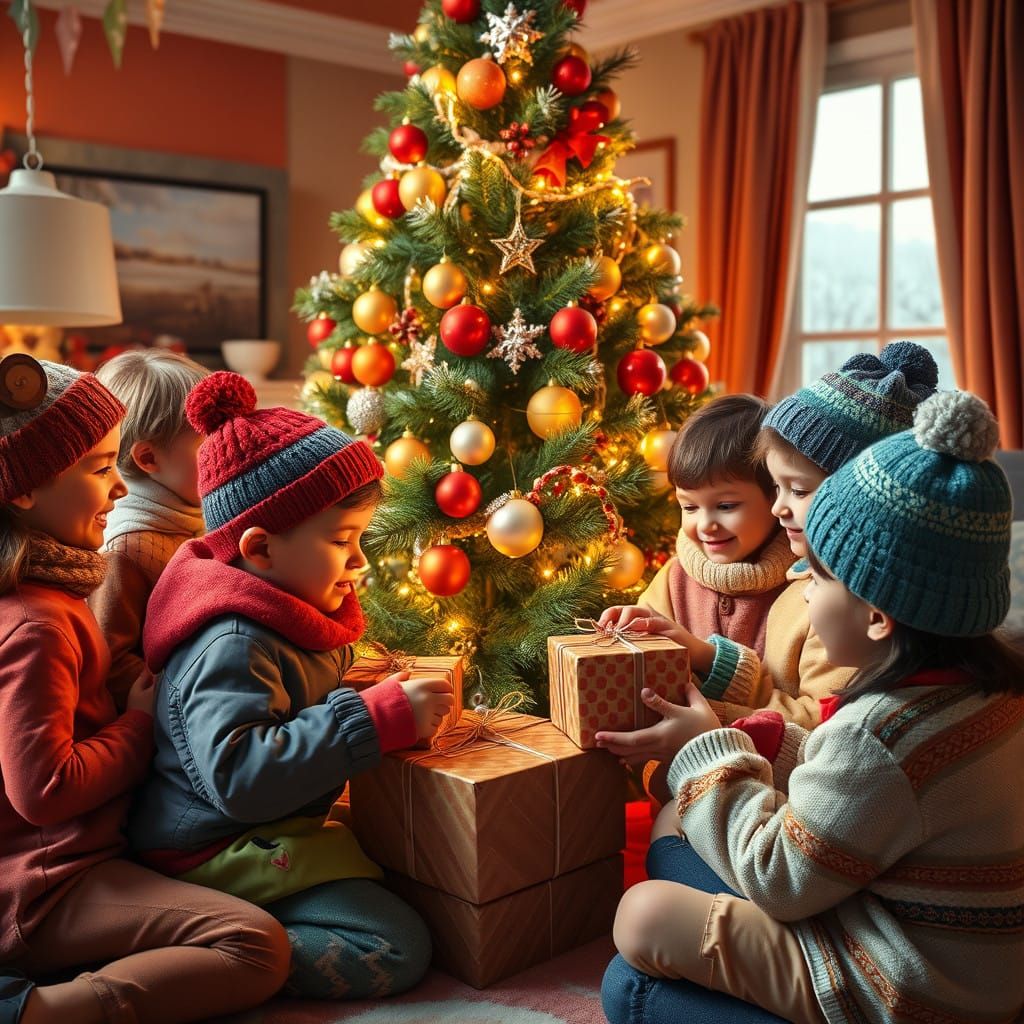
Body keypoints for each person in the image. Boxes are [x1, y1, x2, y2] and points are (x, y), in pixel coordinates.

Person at [599, 390, 1024, 1023]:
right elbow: (857, 787)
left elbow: (781, 877)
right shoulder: (981, 695)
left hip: (903, 987)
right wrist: (766, 742)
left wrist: (700, 750)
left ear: (877, 617)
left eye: (817, 578)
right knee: (672, 834)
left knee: (639, 933)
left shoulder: (880, 736)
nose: (801, 590)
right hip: (953, 956)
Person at [129, 371, 450, 1000]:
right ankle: (222, 944)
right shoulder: (233, 642)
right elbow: (240, 776)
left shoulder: (283, 611)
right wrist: (370, 719)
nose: (359, 561)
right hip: (211, 851)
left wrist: (367, 688)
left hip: (270, 830)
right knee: (395, 942)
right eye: (341, 541)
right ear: (260, 548)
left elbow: (293, 700)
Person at [0, 356, 289, 1024]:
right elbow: (44, 791)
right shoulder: (37, 622)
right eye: (101, 469)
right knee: (254, 945)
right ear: (22, 491)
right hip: (45, 887)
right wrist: (139, 722)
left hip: (73, 860)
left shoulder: (55, 591)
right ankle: (38, 1010)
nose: (119, 491)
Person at [600, 394, 795, 695]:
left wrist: (707, 659)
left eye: (727, 506)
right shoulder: (672, 579)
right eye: (689, 508)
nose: (705, 525)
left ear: (775, 495)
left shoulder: (807, 593)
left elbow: (815, 719)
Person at [89, 350, 209, 709]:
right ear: (149, 459)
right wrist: (183, 696)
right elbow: (109, 660)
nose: (226, 453)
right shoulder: (126, 547)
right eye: (208, 446)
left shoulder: (187, 510)